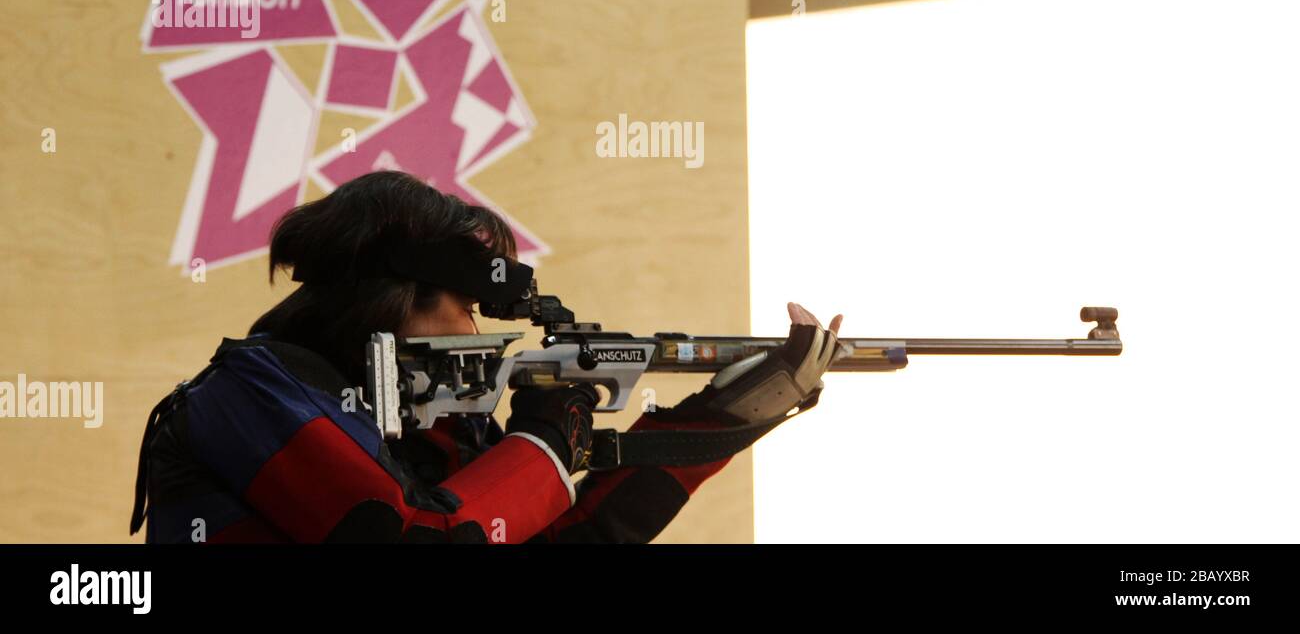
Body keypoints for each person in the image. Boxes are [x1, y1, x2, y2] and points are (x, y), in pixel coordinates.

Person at [130, 171, 842, 543]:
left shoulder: (418, 433)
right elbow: (418, 543)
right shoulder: (249, 399)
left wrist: (727, 416)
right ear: (396, 295)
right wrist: (540, 445)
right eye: (469, 305)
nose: (476, 328)